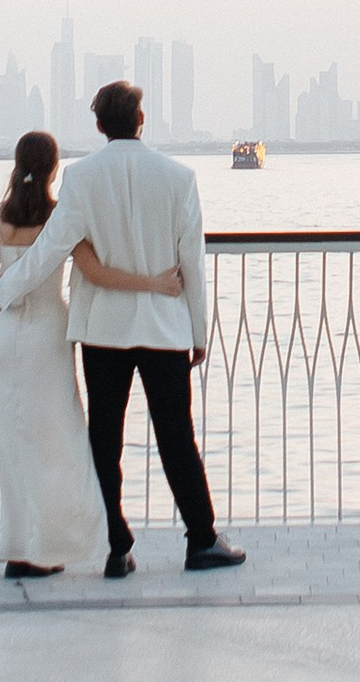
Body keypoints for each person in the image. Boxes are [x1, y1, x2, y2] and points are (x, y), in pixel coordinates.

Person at [43, 77, 246, 579]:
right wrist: (199, 333)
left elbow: (53, 246)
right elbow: (192, 262)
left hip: (103, 329)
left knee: (104, 438)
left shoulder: (79, 177)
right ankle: (201, 540)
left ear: (98, 125)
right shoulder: (179, 177)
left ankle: (116, 547)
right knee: (177, 437)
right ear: (141, 120)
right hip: (164, 326)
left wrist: (3, 292)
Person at [0, 128, 178, 579]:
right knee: (56, 446)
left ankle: (18, 550)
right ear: (54, 168)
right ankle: (48, 548)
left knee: (13, 446)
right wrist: (154, 284)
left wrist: (4, 293)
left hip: (4, 336)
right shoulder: (60, 216)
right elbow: (96, 274)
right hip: (47, 336)